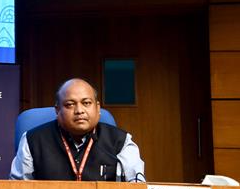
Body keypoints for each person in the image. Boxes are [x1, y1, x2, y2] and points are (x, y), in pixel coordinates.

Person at [10, 78, 145, 182]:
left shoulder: (121, 142)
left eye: (86, 103)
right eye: (70, 104)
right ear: (57, 110)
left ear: (97, 108)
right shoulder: (32, 140)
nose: (79, 111)